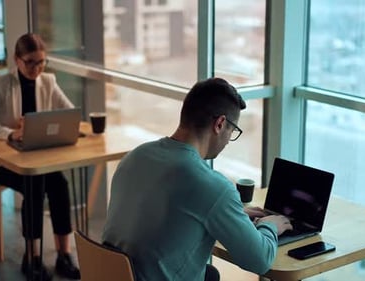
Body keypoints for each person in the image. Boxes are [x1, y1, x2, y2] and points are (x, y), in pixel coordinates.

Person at [102, 77, 293, 281]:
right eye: (233, 130)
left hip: (112, 275)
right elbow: (260, 260)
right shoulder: (212, 187)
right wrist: (270, 225)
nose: (229, 140)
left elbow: (162, 211)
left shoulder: (135, 156)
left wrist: (231, 215)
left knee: (211, 275)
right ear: (220, 124)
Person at [0, 33, 80, 281]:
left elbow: (70, 112)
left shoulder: (48, 81)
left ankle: (64, 255)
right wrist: (11, 134)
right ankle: (32, 258)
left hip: (37, 158)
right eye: (30, 62)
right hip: (2, 161)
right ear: (17, 60)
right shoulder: (1, 84)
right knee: (35, 185)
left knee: (60, 184)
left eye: (41, 62)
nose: (36, 68)